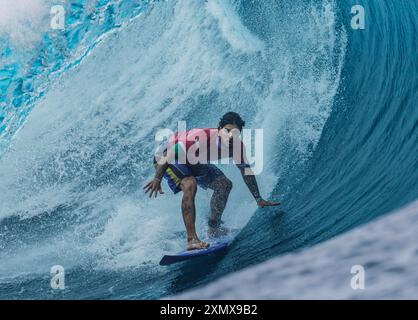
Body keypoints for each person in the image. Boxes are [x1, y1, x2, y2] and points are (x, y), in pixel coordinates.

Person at [144, 112, 280, 250]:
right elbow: (168, 155)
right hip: (167, 157)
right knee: (190, 184)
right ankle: (192, 240)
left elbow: (246, 171)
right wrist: (157, 178)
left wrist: (258, 198)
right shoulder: (200, 138)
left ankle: (213, 229)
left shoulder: (237, 147)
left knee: (224, 185)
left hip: (193, 160)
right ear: (219, 128)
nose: (230, 136)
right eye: (227, 131)